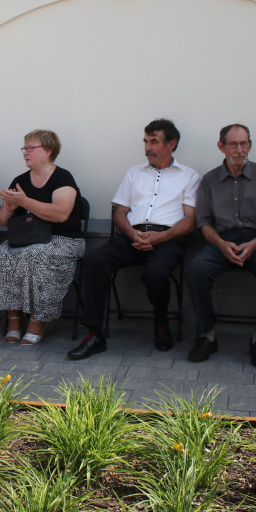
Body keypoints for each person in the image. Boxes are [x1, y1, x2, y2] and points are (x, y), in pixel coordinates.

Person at [69, 118, 200, 360]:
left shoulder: (189, 176)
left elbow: (190, 220)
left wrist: (161, 237)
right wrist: (132, 234)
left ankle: (161, 322)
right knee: (95, 262)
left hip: (167, 237)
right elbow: (119, 212)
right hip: (133, 233)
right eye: (145, 141)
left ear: (172, 144)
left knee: (155, 273)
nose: (148, 147)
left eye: (154, 142)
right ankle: (95, 333)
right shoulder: (134, 173)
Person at [185, 124, 256, 369]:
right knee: (196, 269)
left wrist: (254, 244)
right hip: (222, 240)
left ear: (250, 145)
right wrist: (221, 244)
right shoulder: (210, 180)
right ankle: (207, 335)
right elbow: (204, 222)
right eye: (233, 144)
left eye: (244, 143)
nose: (239, 149)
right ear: (221, 146)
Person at [0, 129, 85, 345]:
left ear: (48, 151)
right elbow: (2, 220)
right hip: (28, 238)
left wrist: (25, 202)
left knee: (36, 255)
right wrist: (8, 207)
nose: (25, 152)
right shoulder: (20, 180)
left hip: (64, 240)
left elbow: (61, 214)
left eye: (31, 148)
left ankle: (39, 319)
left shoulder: (62, 177)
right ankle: (14, 319)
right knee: (3, 254)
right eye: (24, 148)